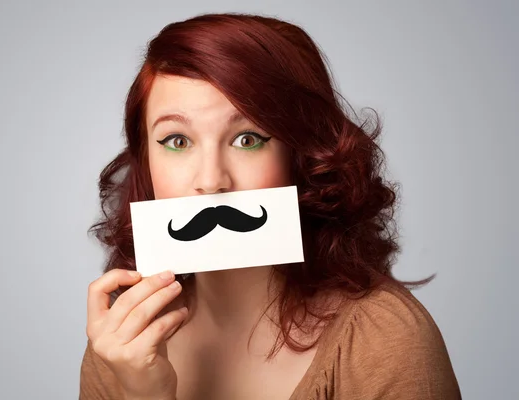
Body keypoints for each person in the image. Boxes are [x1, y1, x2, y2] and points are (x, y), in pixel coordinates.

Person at [79, 12, 461, 400]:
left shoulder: (384, 339)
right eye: (177, 141)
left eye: (248, 139)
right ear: (146, 161)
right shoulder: (122, 345)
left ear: (302, 155)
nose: (211, 182)